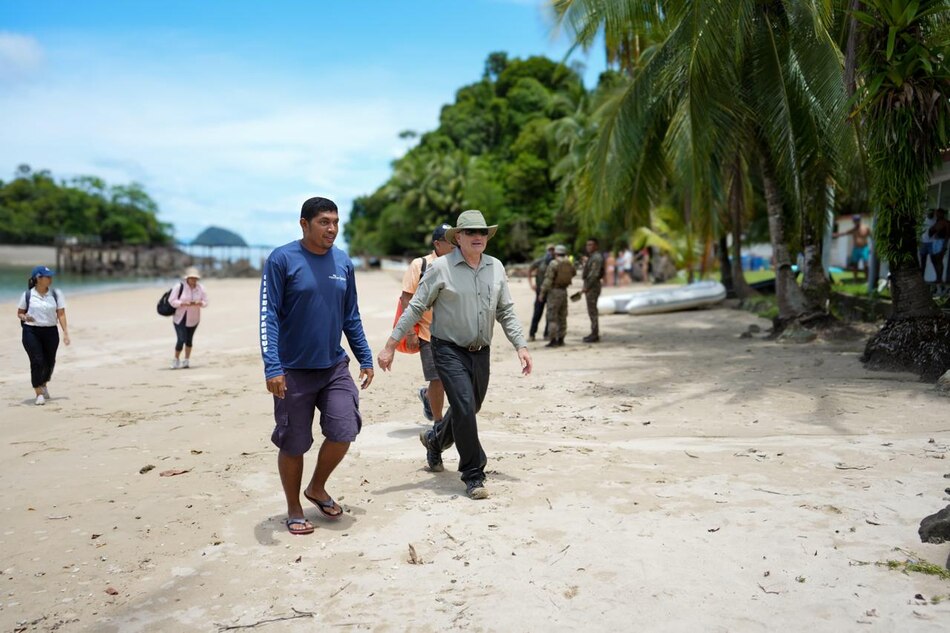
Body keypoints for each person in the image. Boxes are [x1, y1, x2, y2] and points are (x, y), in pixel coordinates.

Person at [377, 209, 532, 500]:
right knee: (462, 406)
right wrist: (390, 345)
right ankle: (474, 474)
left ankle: (435, 441)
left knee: (470, 408)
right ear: (457, 237)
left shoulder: (495, 267)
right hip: (447, 349)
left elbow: (506, 311)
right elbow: (415, 307)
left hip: (481, 351)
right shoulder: (440, 268)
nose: (477, 237)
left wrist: (520, 345)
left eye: (482, 232)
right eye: (471, 232)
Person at [259, 196, 375, 535]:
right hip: (292, 370)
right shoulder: (282, 259)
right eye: (324, 221)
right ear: (304, 224)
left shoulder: (343, 263)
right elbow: (268, 315)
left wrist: (364, 356)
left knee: (344, 430)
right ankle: (294, 507)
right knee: (293, 443)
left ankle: (317, 487)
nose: (332, 229)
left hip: (333, 366)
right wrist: (272, 366)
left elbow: (350, 315)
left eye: (336, 222)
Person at [399, 223, 455, 435]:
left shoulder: (459, 263)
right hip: (426, 332)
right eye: (450, 242)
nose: (455, 245)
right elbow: (407, 298)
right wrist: (410, 332)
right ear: (437, 244)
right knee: (437, 378)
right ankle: (439, 422)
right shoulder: (420, 264)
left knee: (452, 377)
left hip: (454, 332)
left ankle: (427, 396)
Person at [17, 265, 70, 405]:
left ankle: (44, 383)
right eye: (47, 276)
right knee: (37, 360)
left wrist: (65, 333)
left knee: (50, 361)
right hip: (31, 331)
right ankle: (38, 393)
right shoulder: (27, 295)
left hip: (51, 331)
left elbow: (61, 314)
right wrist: (25, 318)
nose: (50, 279)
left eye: (51, 276)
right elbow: (20, 313)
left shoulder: (56, 294)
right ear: (38, 279)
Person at [169, 267, 208, 369]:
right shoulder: (179, 287)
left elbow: (205, 302)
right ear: (187, 278)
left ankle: (186, 360)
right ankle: (176, 359)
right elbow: (172, 301)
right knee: (181, 339)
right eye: (191, 278)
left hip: (194, 318)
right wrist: (182, 303)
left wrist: (200, 303)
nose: (193, 280)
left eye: (195, 278)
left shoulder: (201, 288)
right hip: (180, 317)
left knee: (189, 340)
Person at [540, 244, 575, 347]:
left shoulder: (554, 263)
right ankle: (561, 339)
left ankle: (553, 340)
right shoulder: (569, 263)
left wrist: (542, 292)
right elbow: (573, 273)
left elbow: (548, 279)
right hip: (564, 291)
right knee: (562, 316)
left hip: (554, 292)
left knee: (552, 317)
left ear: (556, 253)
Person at [527, 244, 555, 342]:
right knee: (537, 313)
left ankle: (547, 334)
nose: (551, 252)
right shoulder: (540, 262)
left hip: (551, 291)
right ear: (546, 250)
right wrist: (531, 284)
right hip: (539, 292)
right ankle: (532, 334)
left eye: (553, 250)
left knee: (549, 314)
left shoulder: (555, 262)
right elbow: (530, 270)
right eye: (549, 250)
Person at [833, 214, 871, 281]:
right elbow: (845, 233)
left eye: (856, 220)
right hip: (856, 248)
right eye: (854, 221)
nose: (855, 222)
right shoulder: (853, 229)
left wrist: (872, 248)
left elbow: (872, 237)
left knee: (866, 264)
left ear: (859, 221)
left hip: (864, 248)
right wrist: (836, 234)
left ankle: (867, 280)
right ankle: (855, 279)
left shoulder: (866, 228)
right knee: (855, 264)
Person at [581, 238, 604, 343]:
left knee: (592, 311)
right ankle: (593, 332)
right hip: (591, 286)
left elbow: (594, 274)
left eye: (591, 245)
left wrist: (587, 286)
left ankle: (594, 334)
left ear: (596, 246)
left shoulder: (596, 257)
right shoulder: (592, 257)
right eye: (587, 245)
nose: (588, 247)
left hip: (593, 287)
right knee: (591, 310)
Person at [928, 208, 950, 290]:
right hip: (935, 241)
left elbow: (948, 234)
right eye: (936, 214)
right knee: (934, 259)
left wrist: (944, 245)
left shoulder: (946, 222)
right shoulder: (937, 222)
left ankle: (939, 278)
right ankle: (938, 277)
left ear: (942, 214)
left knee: (939, 259)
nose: (937, 215)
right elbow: (932, 231)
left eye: (938, 213)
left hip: (942, 241)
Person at [919, 208, 936, 277]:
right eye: (929, 213)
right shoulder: (923, 220)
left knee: (934, 260)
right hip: (923, 242)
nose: (930, 214)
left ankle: (936, 276)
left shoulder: (935, 221)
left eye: (932, 213)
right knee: (923, 260)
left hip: (931, 242)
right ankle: (922, 275)